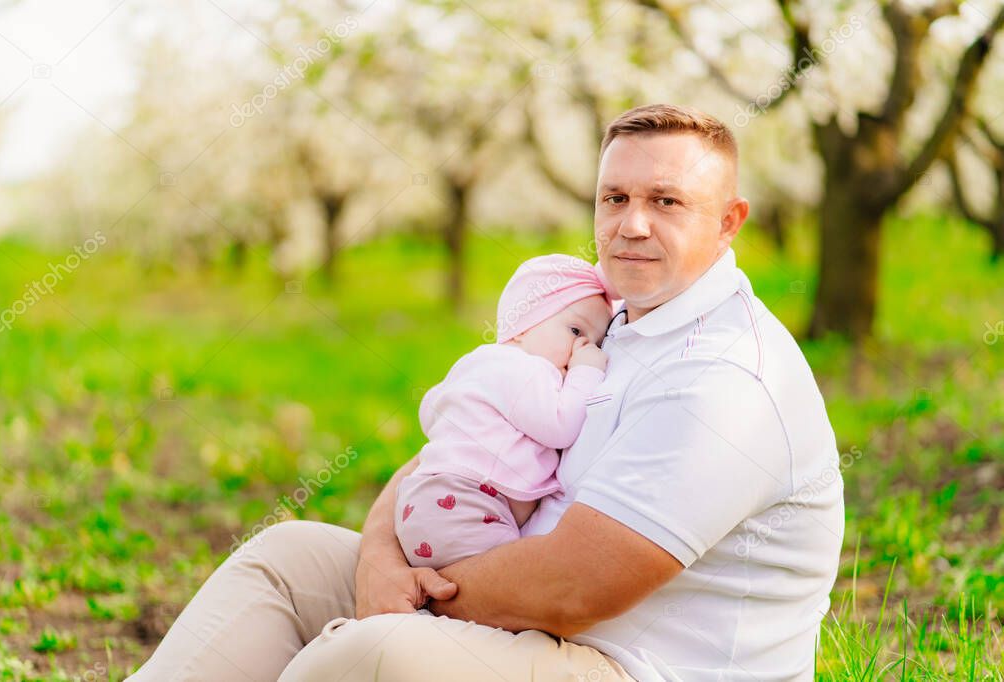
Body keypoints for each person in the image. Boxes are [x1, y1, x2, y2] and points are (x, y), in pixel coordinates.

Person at [127, 103, 844, 682]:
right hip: (517, 609)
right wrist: (382, 557)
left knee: (372, 656)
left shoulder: (725, 379)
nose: (631, 224)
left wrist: (412, 597)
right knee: (287, 560)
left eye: (666, 201)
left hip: (628, 664)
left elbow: (575, 591)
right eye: (614, 198)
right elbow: (453, 451)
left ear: (727, 223)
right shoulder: (609, 317)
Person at [397, 254, 615, 569]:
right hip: (469, 504)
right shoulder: (529, 369)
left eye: (596, 342)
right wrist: (587, 372)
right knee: (512, 579)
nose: (585, 349)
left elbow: (430, 408)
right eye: (576, 331)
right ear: (523, 325)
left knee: (453, 583)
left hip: (420, 502)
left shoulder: (478, 361)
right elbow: (562, 426)